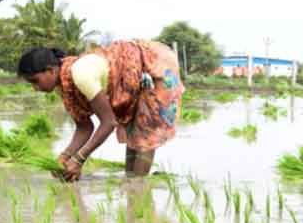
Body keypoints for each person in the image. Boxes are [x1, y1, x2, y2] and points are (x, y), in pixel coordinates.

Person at [16, 42, 184, 180]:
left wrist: (79, 159)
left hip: (153, 66)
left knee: (143, 133)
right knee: (133, 150)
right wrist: (65, 157)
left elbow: (108, 123)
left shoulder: (81, 75)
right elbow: (84, 127)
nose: (35, 88)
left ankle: (139, 193)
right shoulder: (64, 86)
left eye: (35, 81)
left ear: (51, 70)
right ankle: (134, 185)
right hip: (131, 76)